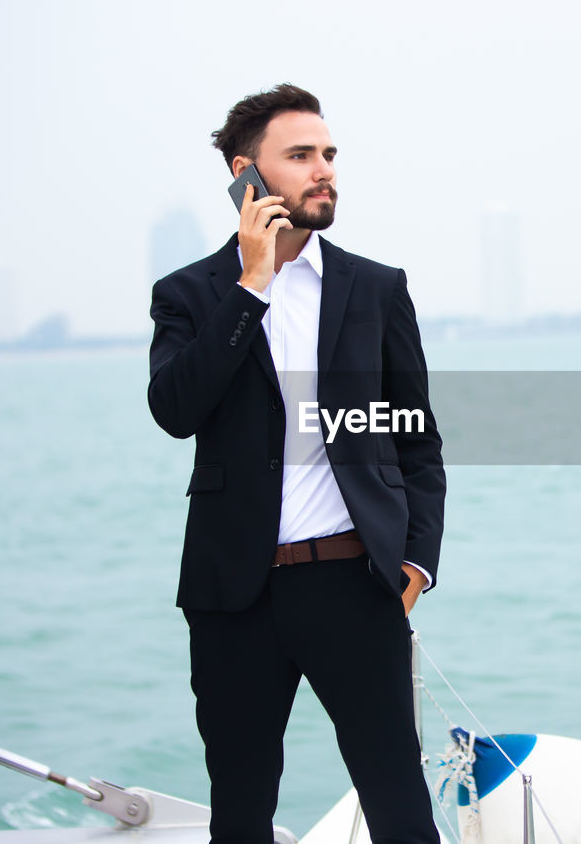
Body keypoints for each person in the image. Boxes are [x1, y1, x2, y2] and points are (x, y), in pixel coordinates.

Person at [147, 84, 445, 844]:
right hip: (232, 596)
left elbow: (416, 441)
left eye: (329, 155)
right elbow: (176, 411)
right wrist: (252, 284)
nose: (325, 171)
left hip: (354, 582)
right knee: (241, 808)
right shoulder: (188, 294)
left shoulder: (376, 289)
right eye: (302, 156)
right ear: (249, 174)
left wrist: (415, 563)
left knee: (400, 804)